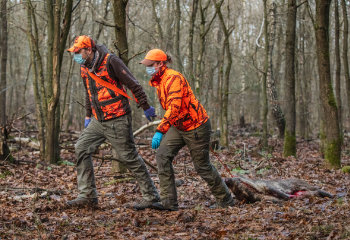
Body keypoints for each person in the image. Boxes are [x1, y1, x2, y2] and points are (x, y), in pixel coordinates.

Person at [66, 35, 162, 210]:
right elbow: (89, 94)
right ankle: (87, 195)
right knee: (81, 147)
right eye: (75, 52)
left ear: (88, 50)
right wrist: (88, 116)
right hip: (98, 120)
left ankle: (151, 197)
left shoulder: (111, 61)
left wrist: (145, 106)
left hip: (118, 118)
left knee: (129, 157)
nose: (76, 55)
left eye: (78, 52)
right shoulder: (84, 67)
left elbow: (133, 84)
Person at [140, 49, 235, 210]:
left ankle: (225, 200)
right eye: (147, 65)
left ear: (161, 64)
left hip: (196, 126)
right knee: (162, 155)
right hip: (179, 126)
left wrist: (160, 130)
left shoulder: (174, 78)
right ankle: (169, 202)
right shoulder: (160, 81)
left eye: (151, 65)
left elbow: (175, 107)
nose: (148, 68)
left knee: (202, 166)